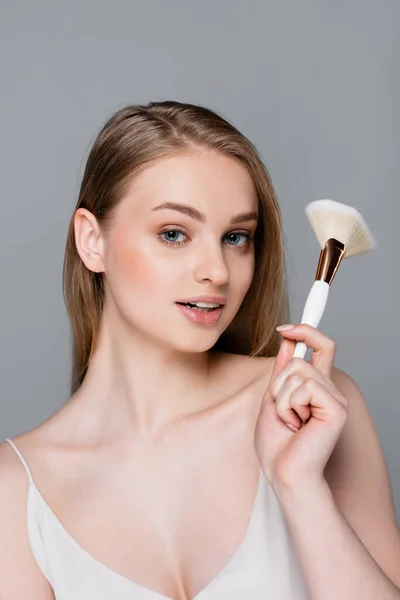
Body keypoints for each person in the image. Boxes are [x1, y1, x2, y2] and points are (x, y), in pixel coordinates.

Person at [1, 101, 399, 600]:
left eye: (236, 237)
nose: (217, 270)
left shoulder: (315, 410)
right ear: (92, 240)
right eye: (174, 234)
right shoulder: (16, 491)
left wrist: (300, 488)